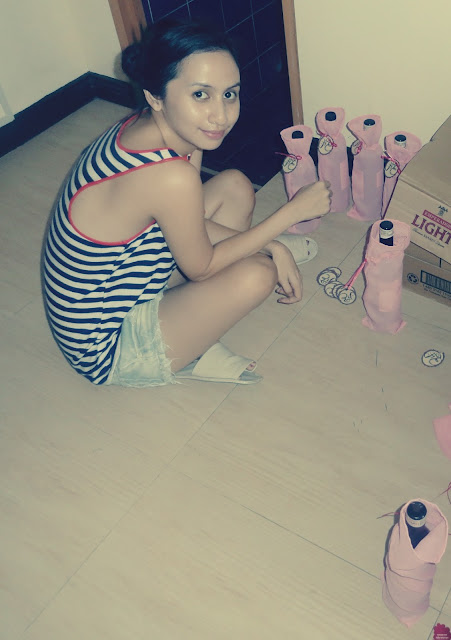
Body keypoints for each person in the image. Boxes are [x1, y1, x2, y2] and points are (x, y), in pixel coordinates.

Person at [43, 18, 331, 387]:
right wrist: (290, 215)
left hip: (132, 277)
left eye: (230, 94)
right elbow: (202, 269)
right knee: (258, 274)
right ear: (156, 97)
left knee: (235, 187)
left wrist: (270, 243)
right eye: (200, 95)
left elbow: (186, 216)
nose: (221, 115)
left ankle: (217, 290)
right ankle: (189, 352)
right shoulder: (168, 176)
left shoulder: (150, 127)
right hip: (107, 346)